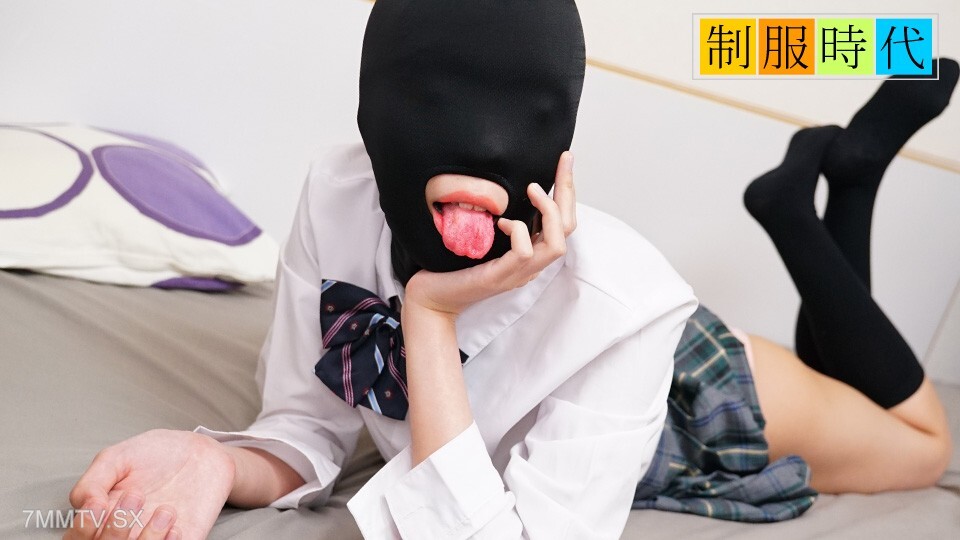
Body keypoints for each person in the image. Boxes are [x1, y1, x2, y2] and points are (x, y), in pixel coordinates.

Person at [64, 2, 957, 538]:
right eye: (438, 97)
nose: (483, 142)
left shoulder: (627, 304)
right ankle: (849, 178)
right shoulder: (335, 195)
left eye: (525, 111)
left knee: (924, 446)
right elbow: (304, 426)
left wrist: (428, 317)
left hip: (690, 391)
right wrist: (214, 460)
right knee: (864, 391)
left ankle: (802, 213)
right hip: (612, 360)